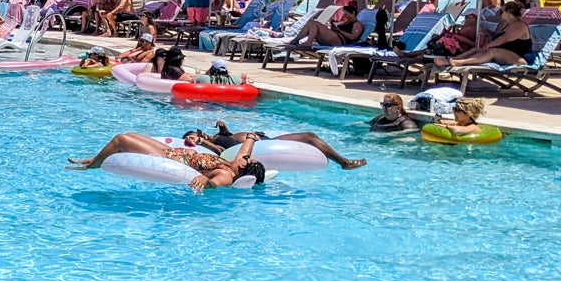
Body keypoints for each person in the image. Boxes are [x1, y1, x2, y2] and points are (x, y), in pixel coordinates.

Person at [69, 132, 265, 192]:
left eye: (245, 161)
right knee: (130, 134)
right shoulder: (234, 164)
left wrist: (205, 181)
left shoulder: (226, 175)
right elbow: (245, 149)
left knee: (121, 140)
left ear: (242, 170)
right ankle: (95, 158)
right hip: (171, 151)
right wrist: (251, 137)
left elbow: (212, 184)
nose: (243, 158)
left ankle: (91, 165)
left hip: (167, 159)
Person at [188, 120, 366, 169]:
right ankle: (344, 163)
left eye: (198, 132)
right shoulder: (214, 145)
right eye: (195, 135)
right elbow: (222, 150)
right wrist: (204, 141)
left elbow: (230, 138)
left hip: (266, 139)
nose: (199, 134)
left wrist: (224, 128)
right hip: (265, 145)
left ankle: (342, 161)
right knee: (310, 137)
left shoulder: (219, 135)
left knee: (310, 136)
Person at [435, 0, 532, 67]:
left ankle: (459, 63)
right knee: (475, 50)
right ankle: (450, 61)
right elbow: (497, 36)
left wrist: (488, 45)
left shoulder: (519, 26)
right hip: (506, 53)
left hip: (519, 57)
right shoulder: (507, 24)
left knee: (492, 51)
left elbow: (504, 39)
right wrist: (486, 33)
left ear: (508, 13)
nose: (500, 14)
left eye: (502, 11)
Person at [286, 4, 365, 49]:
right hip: (335, 37)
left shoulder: (357, 24)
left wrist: (339, 30)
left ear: (353, 13)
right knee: (311, 23)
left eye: (347, 14)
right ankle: (296, 40)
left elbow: (353, 37)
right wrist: (334, 27)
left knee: (314, 23)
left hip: (340, 41)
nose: (346, 16)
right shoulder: (346, 22)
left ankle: (308, 42)